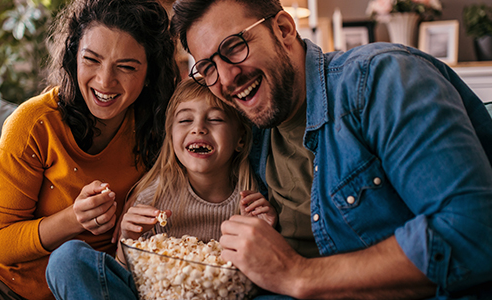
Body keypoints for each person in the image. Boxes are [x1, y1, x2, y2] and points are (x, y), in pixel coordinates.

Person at [170, 0, 492, 299]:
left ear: (283, 29)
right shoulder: (251, 131)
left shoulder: (380, 79)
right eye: (208, 68)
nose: (226, 78)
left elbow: (472, 230)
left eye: (234, 46)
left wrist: (298, 274)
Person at [0, 0, 179, 299]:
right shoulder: (34, 123)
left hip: (84, 286)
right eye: (91, 60)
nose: (104, 81)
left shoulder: (159, 129)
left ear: (150, 73)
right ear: (73, 58)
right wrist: (74, 218)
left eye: (126, 66)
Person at [45, 78, 277, 300]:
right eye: (185, 120)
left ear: (241, 138)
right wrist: (129, 241)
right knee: (67, 259)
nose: (199, 129)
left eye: (215, 119)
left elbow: (262, 279)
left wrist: (265, 235)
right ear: (171, 134)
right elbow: (127, 277)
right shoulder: (153, 197)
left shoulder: (252, 200)